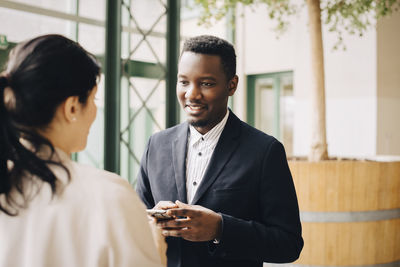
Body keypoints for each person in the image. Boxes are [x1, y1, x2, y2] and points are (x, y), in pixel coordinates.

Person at [136, 35, 303, 267]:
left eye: (206, 83)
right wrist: (152, 219)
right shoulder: (156, 145)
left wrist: (220, 228)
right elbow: (135, 220)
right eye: (183, 82)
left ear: (231, 85)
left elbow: (289, 244)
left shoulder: (265, 151)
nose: (191, 94)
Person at [0, 34, 165, 267]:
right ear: (72, 107)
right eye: (94, 98)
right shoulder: (108, 196)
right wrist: (156, 250)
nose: (95, 111)